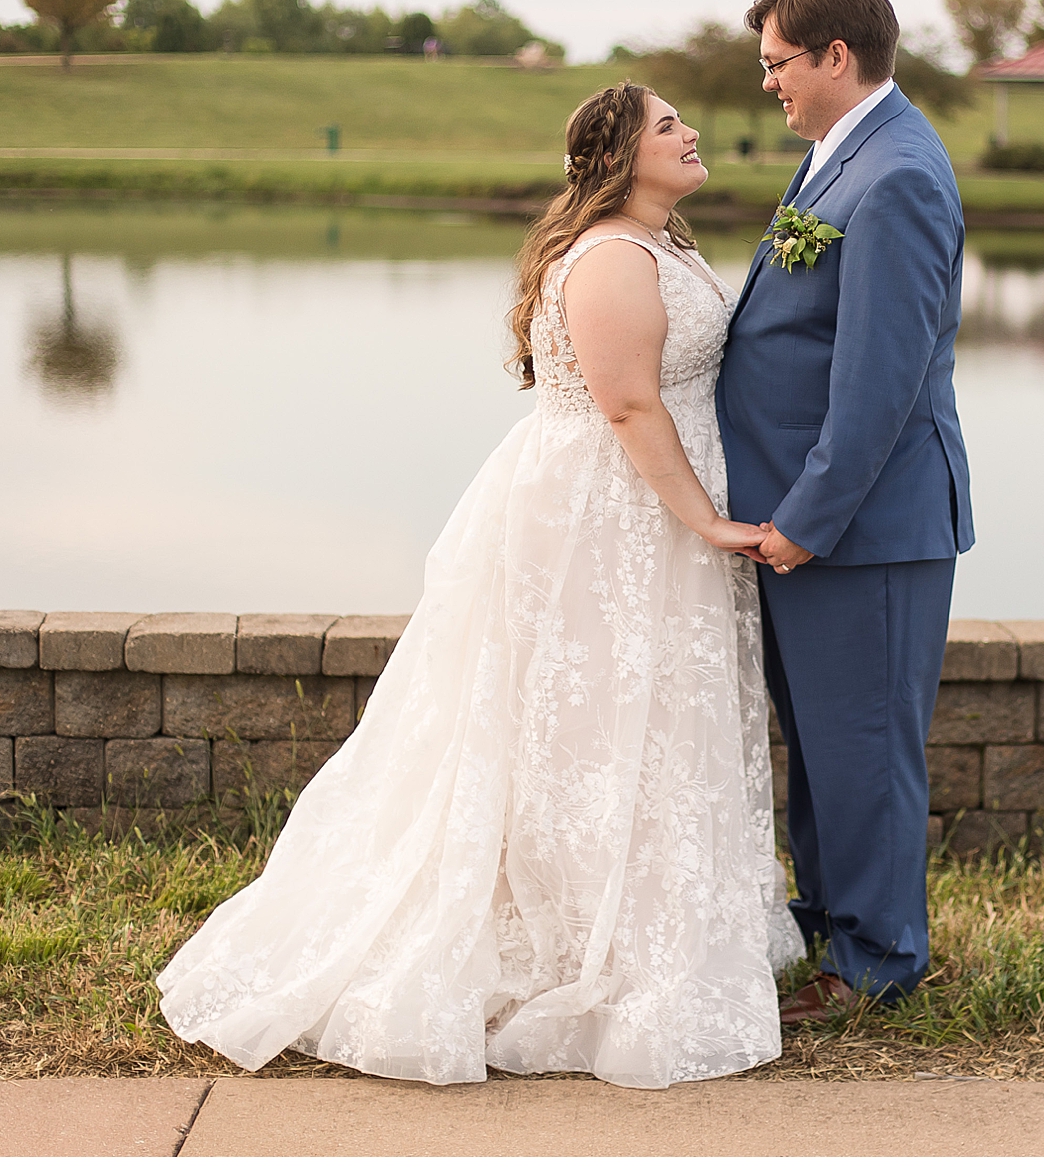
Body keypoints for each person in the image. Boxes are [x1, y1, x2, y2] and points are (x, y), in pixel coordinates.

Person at [157, 82, 801, 1090]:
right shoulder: (611, 257)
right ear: (620, 157)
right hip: (608, 513)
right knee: (584, 723)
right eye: (667, 125)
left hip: (644, 505)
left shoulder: (660, 244)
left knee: (633, 721)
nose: (690, 133)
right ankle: (563, 946)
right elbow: (629, 406)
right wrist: (707, 521)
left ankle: (638, 926)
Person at [717, 0, 974, 1024]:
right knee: (825, 749)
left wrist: (805, 522)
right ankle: (832, 931)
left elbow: (880, 383)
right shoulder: (842, 153)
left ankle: (877, 963)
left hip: (860, 528)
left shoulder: (899, 174)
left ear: (836, 55)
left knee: (863, 751)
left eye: (778, 62)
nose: (767, 82)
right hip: (810, 524)